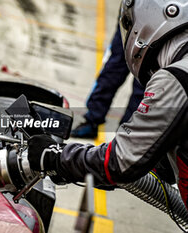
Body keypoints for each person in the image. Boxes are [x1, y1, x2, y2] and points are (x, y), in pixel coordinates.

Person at [28, 0, 188, 208]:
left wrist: (53, 157)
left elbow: (120, 162)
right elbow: (149, 163)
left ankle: (95, 120)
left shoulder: (176, 78)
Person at [71, 25, 144, 138]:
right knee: (112, 69)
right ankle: (92, 120)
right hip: (132, 19)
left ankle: (124, 136)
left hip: (161, 27)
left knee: (143, 82)